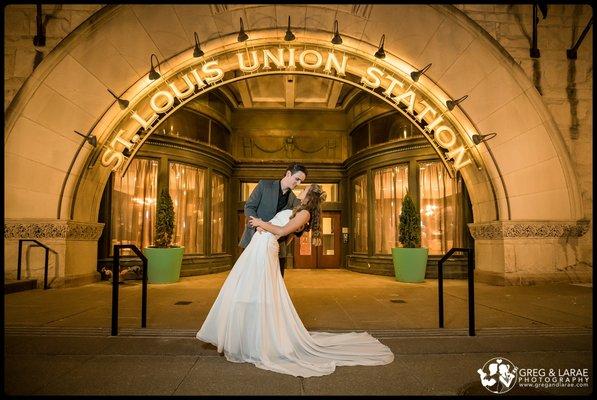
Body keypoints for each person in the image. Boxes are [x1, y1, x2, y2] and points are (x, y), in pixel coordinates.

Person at [196, 184, 394, 377]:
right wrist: (264, 230)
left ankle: (258, 340)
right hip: (261, 244)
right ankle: (247, 336)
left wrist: (259, 224)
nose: (301, 189)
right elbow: (285, 233)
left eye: (305, 189)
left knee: (257, 290)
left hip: (265, 247)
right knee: (247, 289)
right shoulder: (297, 209)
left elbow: (282, 232)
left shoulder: (304, 214)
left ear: (310, 197)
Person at [239, 163, 307, 278]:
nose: (298, 183)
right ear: (288, 174)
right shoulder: (264, 185)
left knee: (276, 281)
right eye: (297, 179)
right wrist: (258, 225)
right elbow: (249, 207)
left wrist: (300, 227)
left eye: (301, 181)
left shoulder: (295, 200)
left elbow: (298, 225)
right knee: (251, 280)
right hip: (254, 239)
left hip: (278, 246)